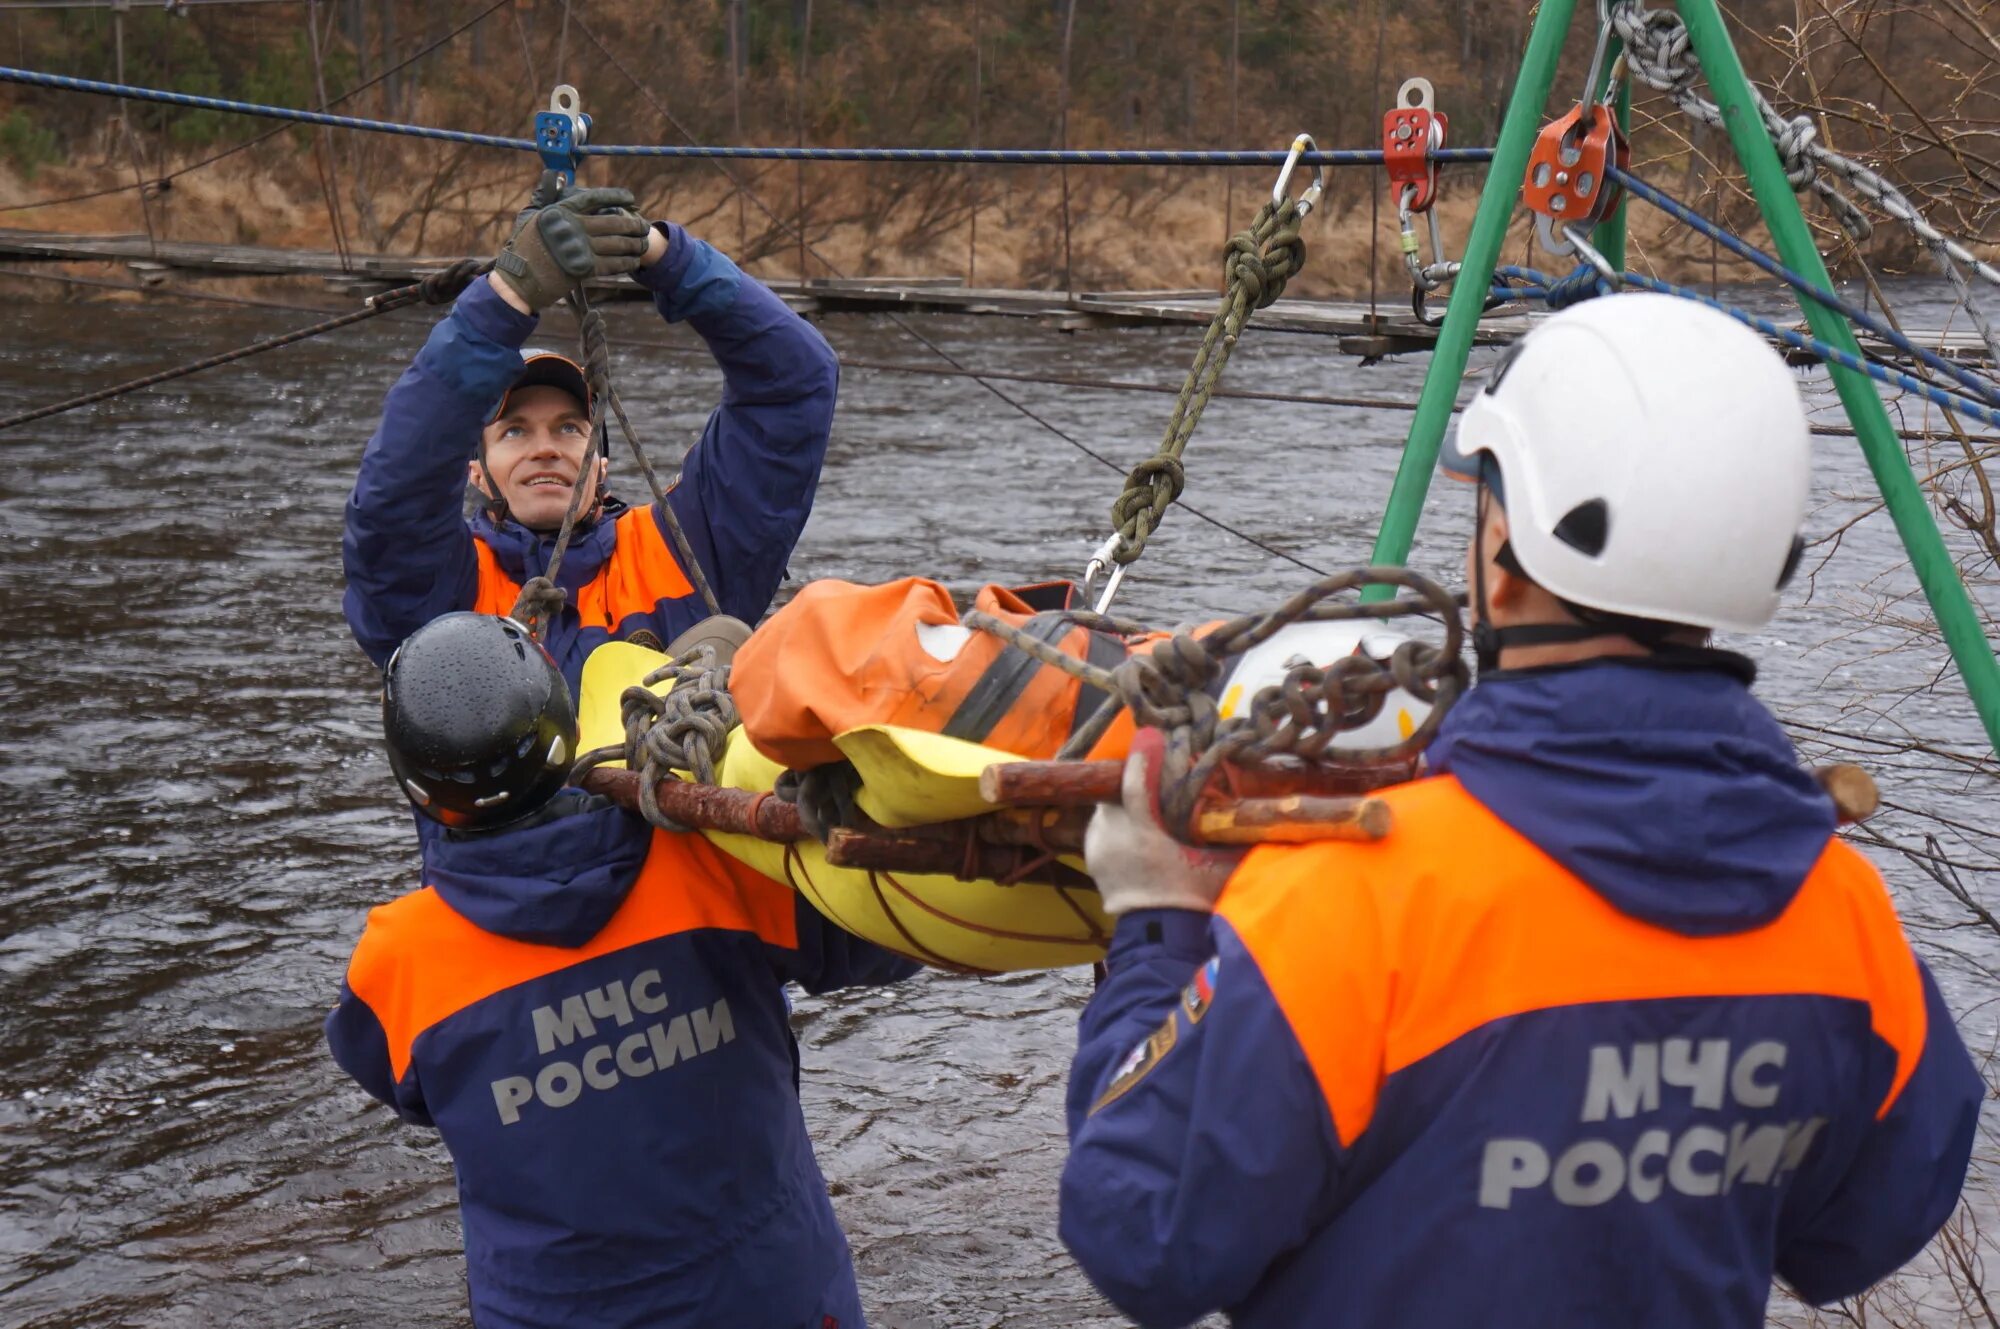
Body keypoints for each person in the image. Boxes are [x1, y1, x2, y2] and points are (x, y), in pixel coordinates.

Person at [1058, 293, 1984, 1328]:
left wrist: (1157, 926)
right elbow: (1861, 1230)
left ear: (1500, 551)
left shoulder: (1351, 895)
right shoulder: (1842, 914)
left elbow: (1142, 1235)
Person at [325, 612, 917, 1329]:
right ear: (564, 723)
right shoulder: (710, 859)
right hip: (774, 1294)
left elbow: (404, 1087)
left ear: (415, 782)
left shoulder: (394, 961)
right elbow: (887, 941)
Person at [342, 171, 839, 689]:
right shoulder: (437, 585)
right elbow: (397, 489)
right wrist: (504, 298)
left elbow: (796, 380)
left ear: (600, 466)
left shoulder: (688, 549)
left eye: (568, 428)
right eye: (514, 432)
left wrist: (659, 253)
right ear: (476, 473)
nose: (545, 450)